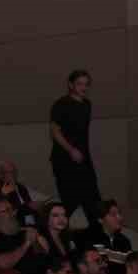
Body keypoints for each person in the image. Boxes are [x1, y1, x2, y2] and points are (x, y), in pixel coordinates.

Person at [49, 69, 100, 227]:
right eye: (79, 84)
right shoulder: (61, 104)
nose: (83, 88)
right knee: (70, 199)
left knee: (92, 196)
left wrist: (81, 153)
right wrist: (71, 150)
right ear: (70, 84)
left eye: (86, 84)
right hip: (64, 158)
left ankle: (97, 236)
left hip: (83, 158)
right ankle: (54, 232)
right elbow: (54, 132)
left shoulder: (87, 104)